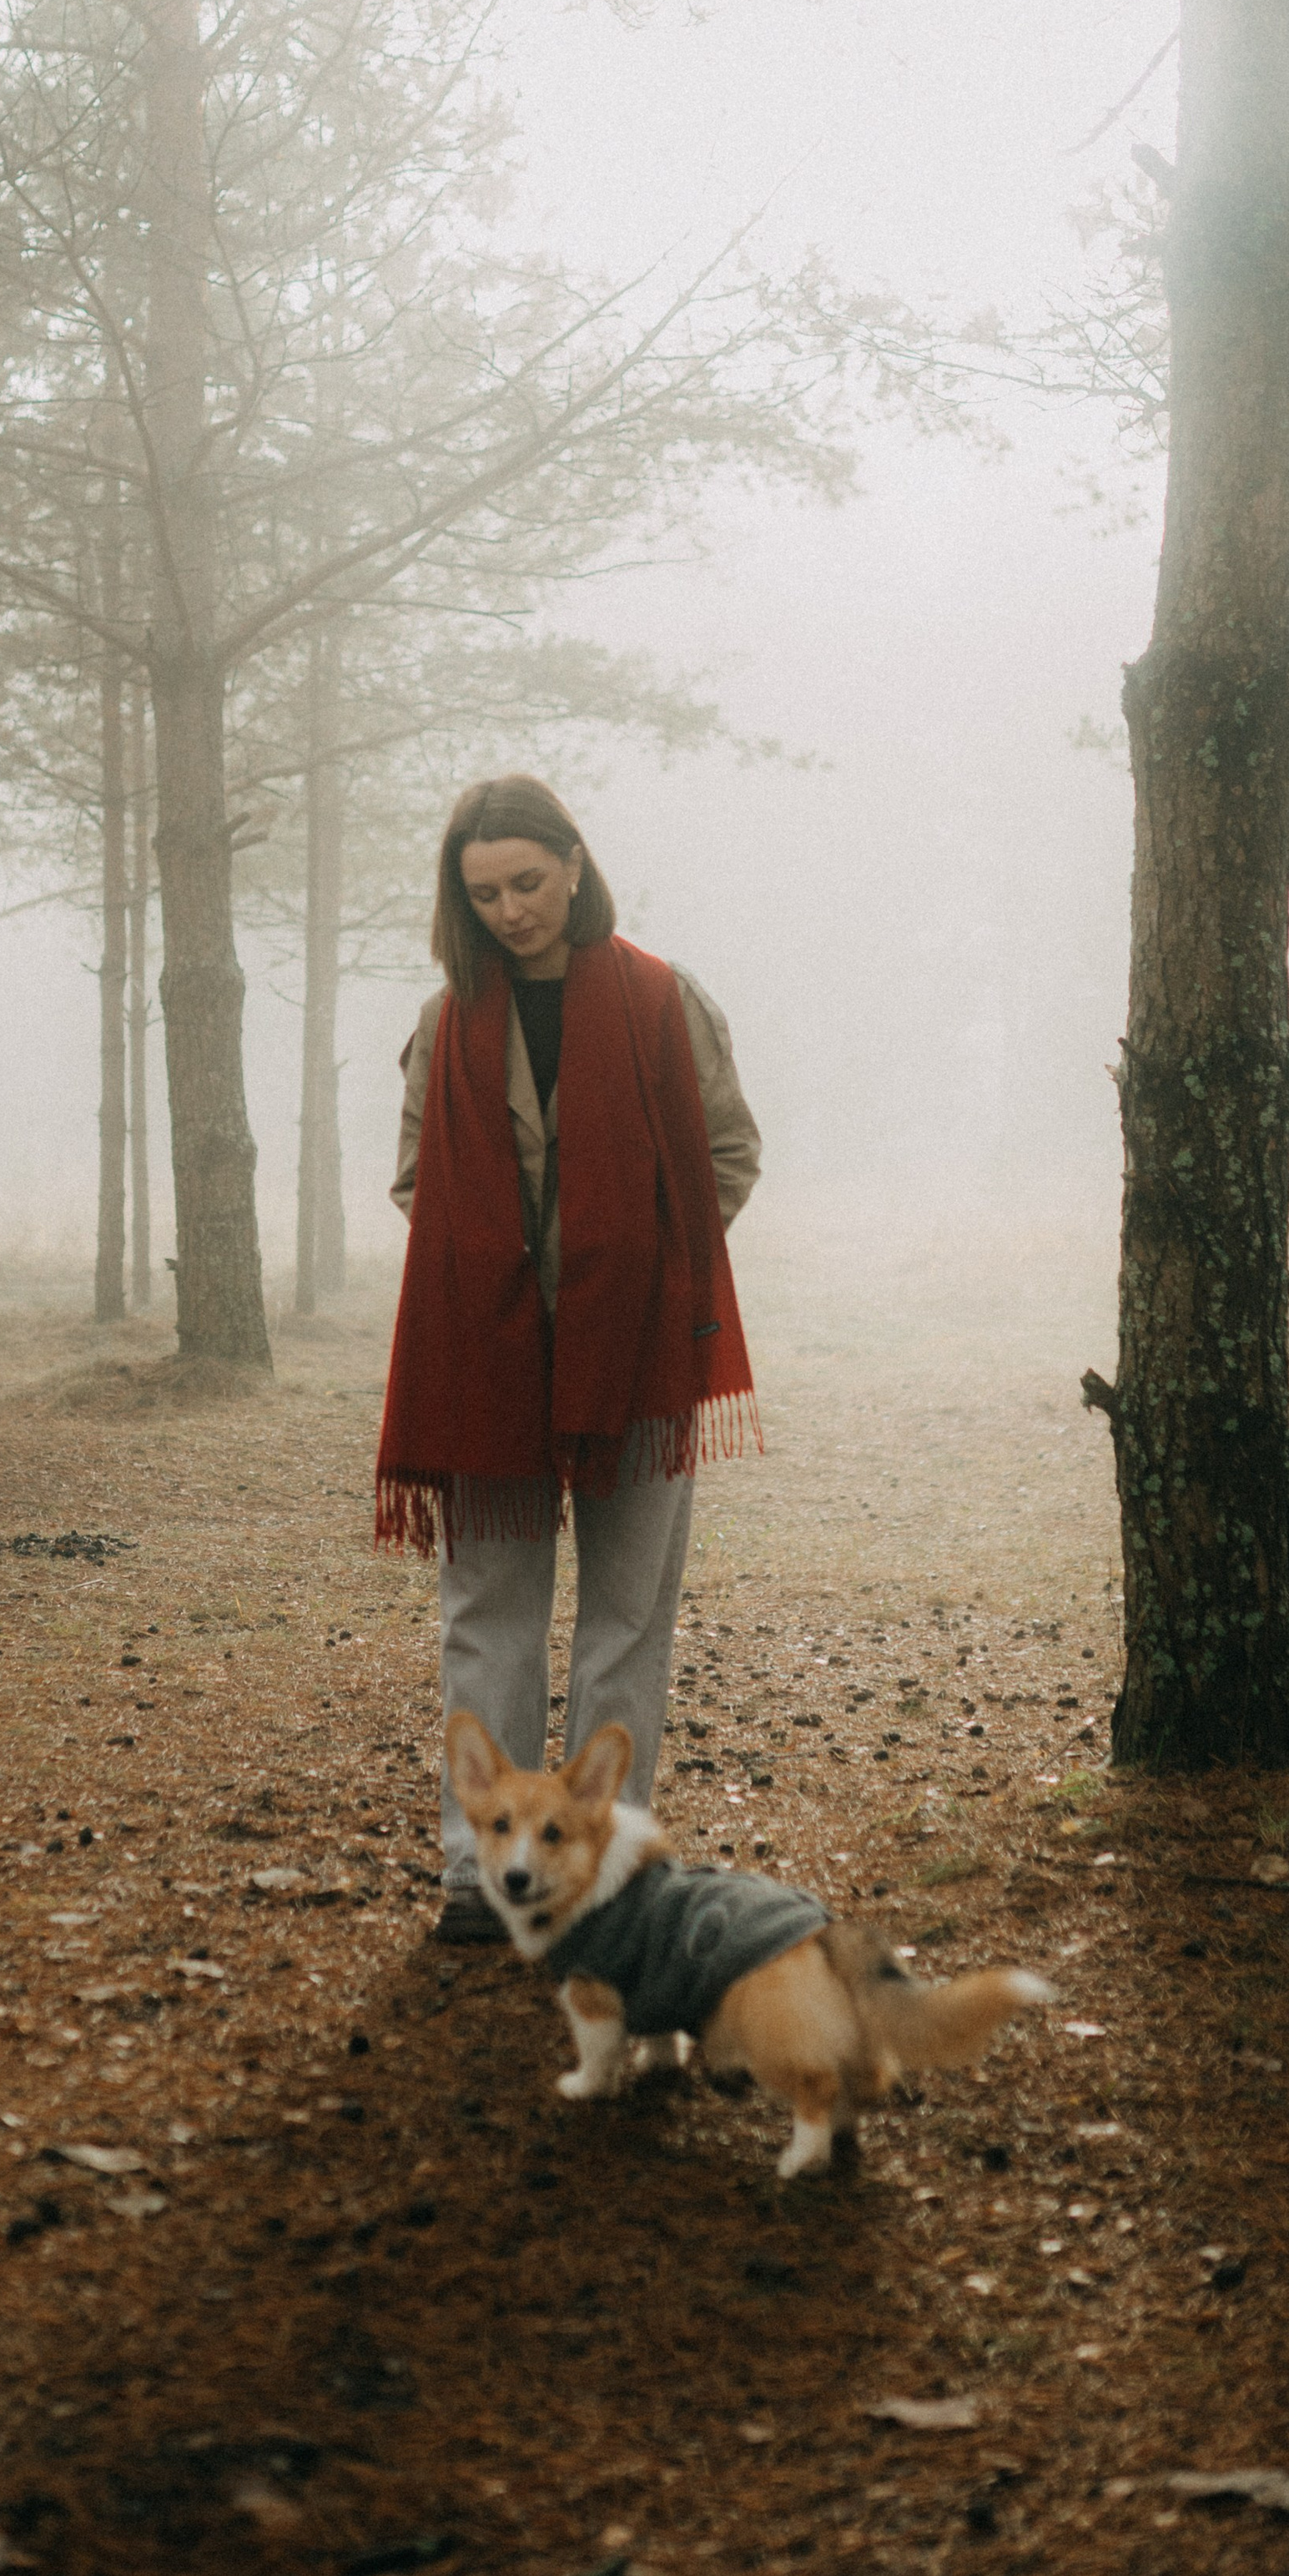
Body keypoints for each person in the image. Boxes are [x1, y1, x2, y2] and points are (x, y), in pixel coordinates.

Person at [375, 773, 763, 1942]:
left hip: (638, 1364)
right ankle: (476, 1878)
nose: (508, 910)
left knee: (626, 1620)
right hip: (485, 1367)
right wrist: (506, 1293)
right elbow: (415, 1180)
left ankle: (604, 1875)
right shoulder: (448, 1022)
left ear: (575, 867)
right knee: (487, 1616)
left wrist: (637, 1288)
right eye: (483, 891)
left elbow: (728, 1156)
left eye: (527, 883)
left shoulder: (660, 1001)